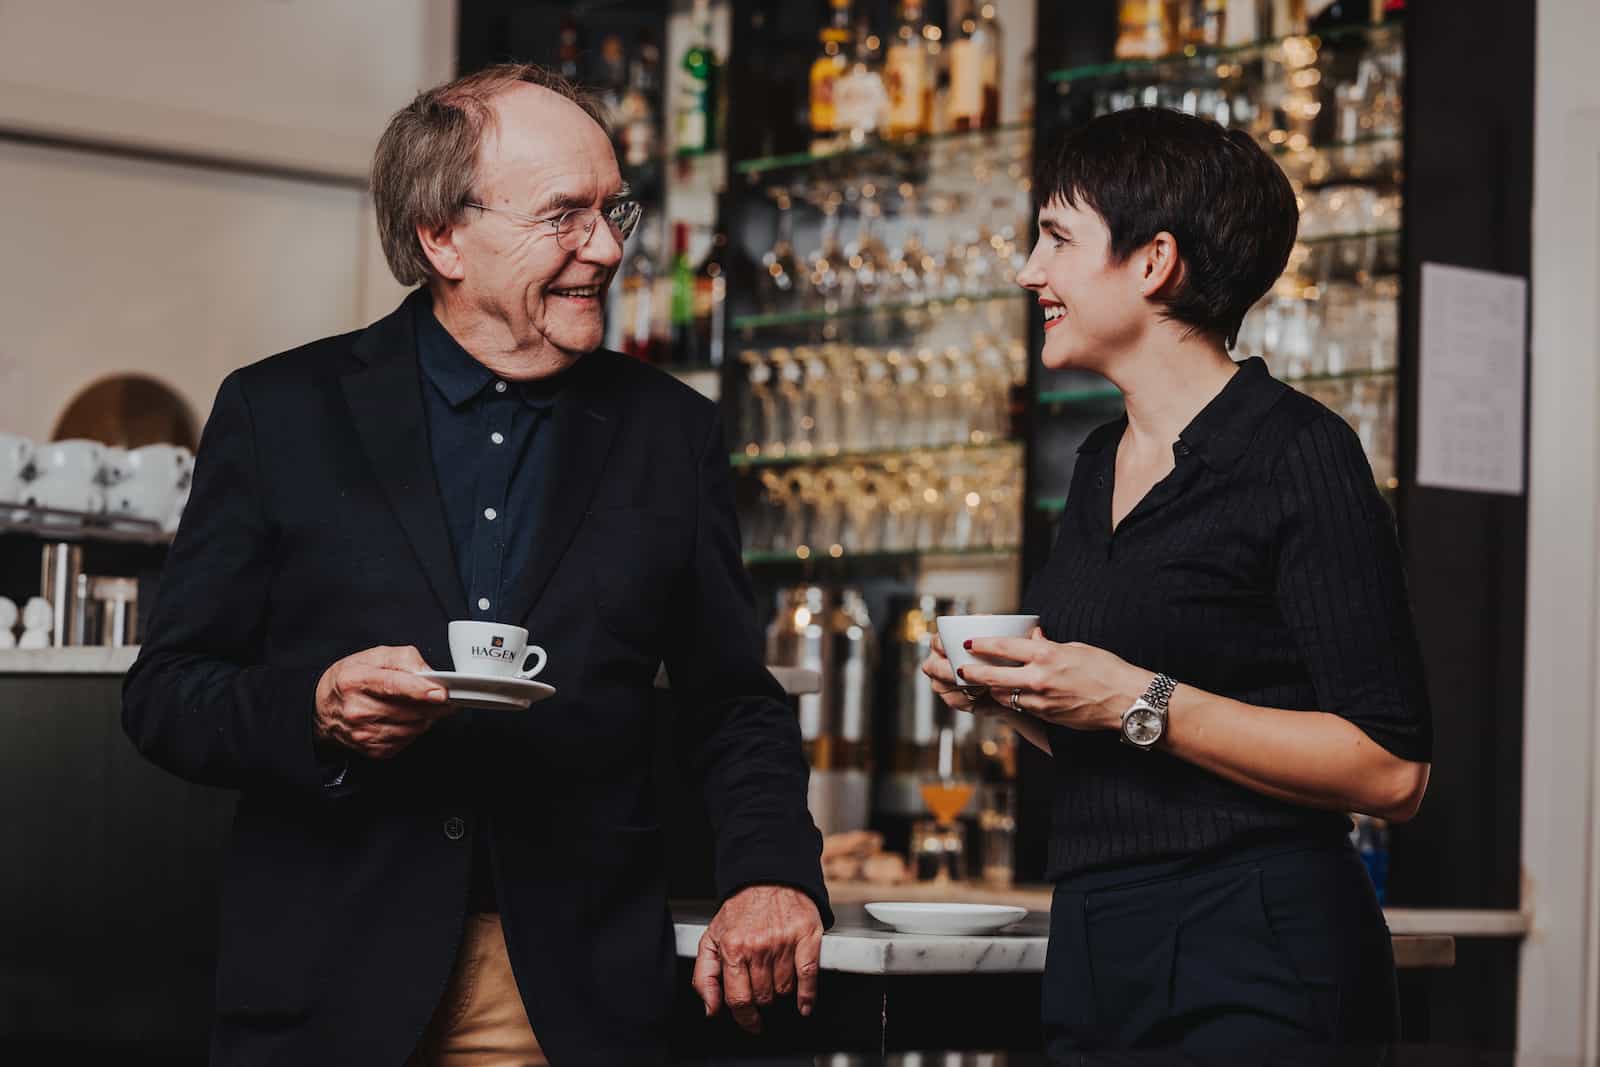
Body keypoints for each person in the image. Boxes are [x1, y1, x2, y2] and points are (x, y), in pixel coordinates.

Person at [122, 64, 830, 1066]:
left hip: (567, 1001)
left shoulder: (670, 433)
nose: (609, 246)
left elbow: (731, 700)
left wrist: (772, 875)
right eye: (564, 215)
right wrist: (317, 709)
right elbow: (168, 694)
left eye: (612, 207)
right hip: (326, 996)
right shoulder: (280, 412)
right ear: (440, 236)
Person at [923, 107, 1432, 1059]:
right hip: (1094, 936)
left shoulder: (1300, 451)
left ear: (1154, 263)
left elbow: (1391, 768)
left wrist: (1131, 696)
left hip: (1258, 946)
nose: (1030, 271)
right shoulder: (1096, 462)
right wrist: (1015, 696)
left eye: (1058, 239)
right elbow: (1122, 739)